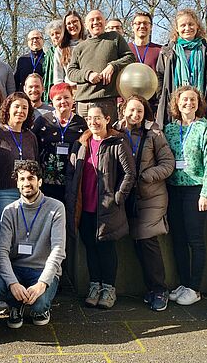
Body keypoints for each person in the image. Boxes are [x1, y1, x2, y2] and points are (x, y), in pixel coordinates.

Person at [65, 104, 135, 309]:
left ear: (107, 119)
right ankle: (95, 286)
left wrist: (118, 198)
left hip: (107, 208)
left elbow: (129, 174)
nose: (93, 122)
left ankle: (109, 289)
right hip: (84, 207)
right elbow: (71, 173)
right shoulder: (81, 144)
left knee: (107, 249)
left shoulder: (116, 143)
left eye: (98, 118)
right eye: (89, 119)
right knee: (90, 248)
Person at [0, 160, 66, 328]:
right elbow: (1, 252)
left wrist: (42, 284)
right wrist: (13, 283)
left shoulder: (56, 208)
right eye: (21, 179)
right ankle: (15, 305)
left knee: (38, 303)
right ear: (16, 183)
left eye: (31, 178)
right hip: (16, 269)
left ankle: (41, 309)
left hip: (41, 269)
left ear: (39, 181)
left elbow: (58, 250)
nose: (26, 183)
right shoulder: (10, 211)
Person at [115, 95, 174, 312]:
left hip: (151, 195)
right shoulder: (115, 132)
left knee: (147, 240)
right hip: (126, 195)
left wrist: (149, 174)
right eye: (131, 110)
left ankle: (159, 289)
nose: (135, 115)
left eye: (139, 111)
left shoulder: (154, 134)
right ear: (123, 111)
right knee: (136, 241)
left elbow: (169, 163)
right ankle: (150, 288)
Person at [164, 86, 207, 306]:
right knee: (177, 238)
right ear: (177, 103)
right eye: (184, 100)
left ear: (199, 103)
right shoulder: (169, 129)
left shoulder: (205, 128)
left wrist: (206, 192)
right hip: (173, 188)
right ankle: (184, 283)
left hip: (196, 189)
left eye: (193, 100)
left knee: (195, 239)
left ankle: (195, 288)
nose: (189, 103)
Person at [0, 92, 38, 251]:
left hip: (27, 193)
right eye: (17, 106)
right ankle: (1, 270)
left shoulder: (30, 136)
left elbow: (36, 167)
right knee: (4, 234)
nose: (21, 111)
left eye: (25, 107)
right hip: (2, 193)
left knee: (23, 234)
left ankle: (18, 269)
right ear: (8, 108)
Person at [66, 10, 136, 122]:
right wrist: (87, 75)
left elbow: (130, 58)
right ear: (85, 24)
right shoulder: (80, 47)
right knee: (84, 138)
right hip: (83, 102)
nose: (96, 22)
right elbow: (71, 72)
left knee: (108, 137)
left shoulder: (114, 38)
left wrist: (113, 66)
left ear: (105, 21)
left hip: (107, 100)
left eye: (99, 19)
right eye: (92, 20)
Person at [156, 9, 207, 126]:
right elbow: (159, 75)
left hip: (202, 104)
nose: (187, 28)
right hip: (175, 106)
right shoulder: (168, 52)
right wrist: (163, 96)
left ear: (197, 26)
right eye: (183, 25)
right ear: (177, 28)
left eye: (191, 24)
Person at [32, 82, 86, 202]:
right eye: (58, 99)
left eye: (66, 97)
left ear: (73, 99)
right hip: (46, 180)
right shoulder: (43, 120)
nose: (63, 101)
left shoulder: (81, 123)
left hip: (72, 179)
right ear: (52, 101)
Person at [53, 10, 86, 85]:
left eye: (75, 21)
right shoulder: (61, 48)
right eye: (68, 23)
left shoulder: (89, 42)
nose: (72, 25)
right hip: (71, 89)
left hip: (88, 87)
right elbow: (58, 75)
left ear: (80, 22)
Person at [42, 20, 63, 101]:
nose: (55, 36)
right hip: (50, 92)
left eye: (58, 33)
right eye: (52, 35)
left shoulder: (69, 49)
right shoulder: (48, 54)